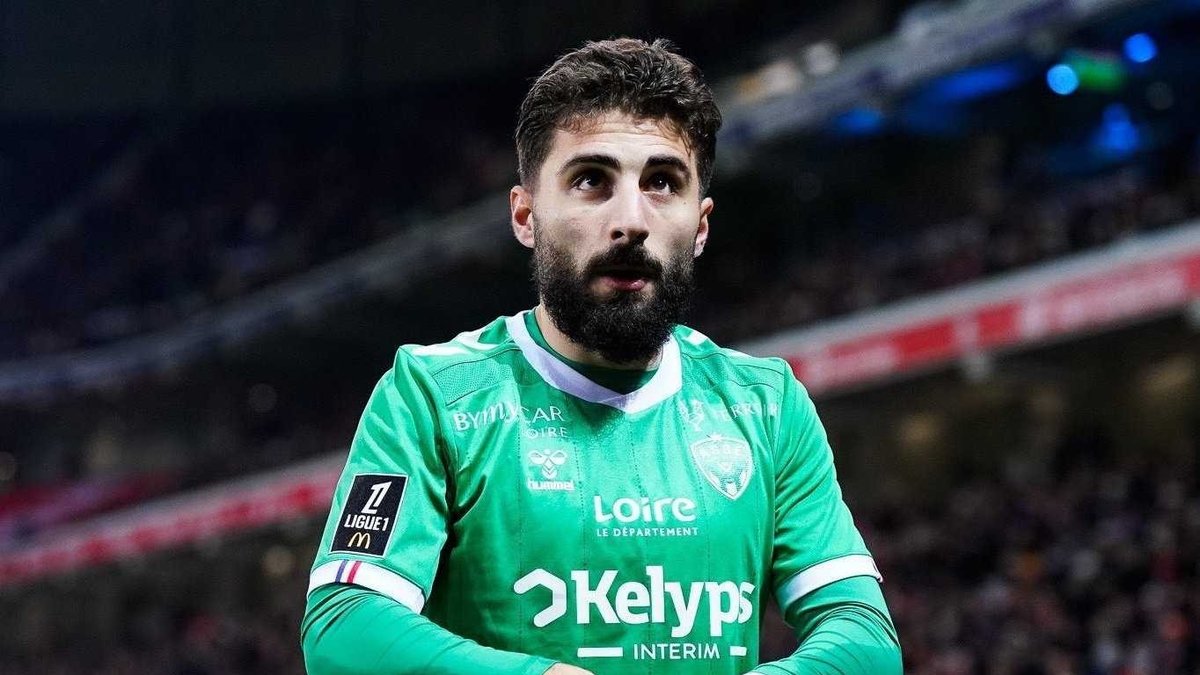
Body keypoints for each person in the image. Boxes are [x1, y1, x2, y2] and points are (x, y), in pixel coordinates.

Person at [301, 38, 901, 675]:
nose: (631, 221)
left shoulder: (768, 405)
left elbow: (865, 636)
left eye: (662, 183)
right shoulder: (432, 396)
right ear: (526, 215)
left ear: (700, 226)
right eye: (591, 180)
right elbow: (345, 624)